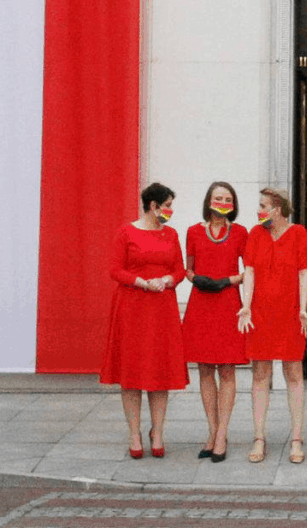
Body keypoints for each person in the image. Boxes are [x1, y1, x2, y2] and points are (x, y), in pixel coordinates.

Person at [100, 182, 188, 460]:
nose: (170, 211)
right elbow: (115, 269)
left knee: (159, 372)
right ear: (153, 206)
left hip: (162, 307)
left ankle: (158, 431)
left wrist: (166, 280)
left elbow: (180, 269)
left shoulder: (171, 234)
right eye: (168, 205)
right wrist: (140, 282)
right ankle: (134, 432)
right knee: (132, 371)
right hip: (132, 307)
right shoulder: (126, 231)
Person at [237, 188, 307, 465]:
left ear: (278, 208)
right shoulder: (256, 234)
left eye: (263, 205)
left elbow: (304, 271)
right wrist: (246, 304)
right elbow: (251, 271)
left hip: (290, 313)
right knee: (260, 373)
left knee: (294, 373)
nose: (259, 210)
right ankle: (259, 437)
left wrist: (303, 309)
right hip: (261, 313)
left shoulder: (298, 234)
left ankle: (296, 439)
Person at [181, 181, 248, 463]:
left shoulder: (241, 233)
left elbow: (250, 270)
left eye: (227, 198)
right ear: (209, 200)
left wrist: (230, 280)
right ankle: (212, 430)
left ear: (233, 205)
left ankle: (222, 434)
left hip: (228, 303)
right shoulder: (194, 231)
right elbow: (188, 268)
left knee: (228, 370)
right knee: (205, 370)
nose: (222, 202)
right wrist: (198, 279)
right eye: (218, 197)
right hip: (202, 303)